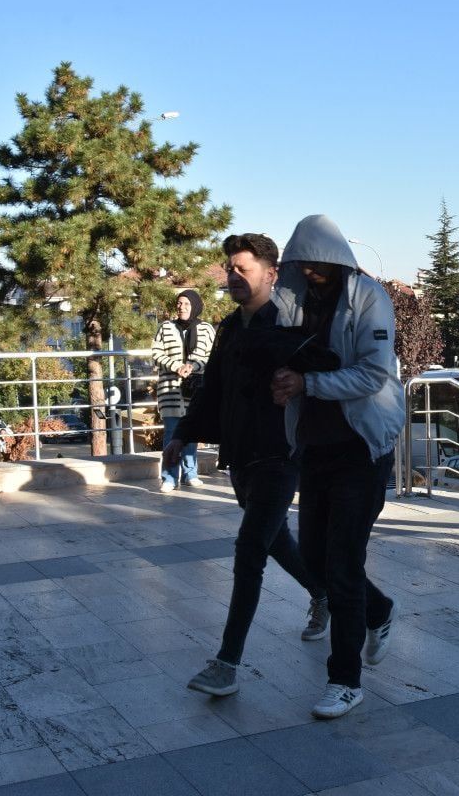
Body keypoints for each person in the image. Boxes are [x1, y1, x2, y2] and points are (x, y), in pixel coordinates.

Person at [172, 234, 333, 699]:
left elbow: (327, 366)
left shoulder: (292, 323)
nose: (233, 276)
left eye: (243, 268)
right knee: (275, 539)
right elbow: (213, 389)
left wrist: (299, 379)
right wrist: (183, 433)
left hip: (280, 456)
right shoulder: (229, 327)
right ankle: (334, 595)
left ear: (271, 273)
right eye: (230, 269)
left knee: (249, 552)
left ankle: (226, 663)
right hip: (240, 455)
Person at [270, 215, 404, 720]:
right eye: (302, 264)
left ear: (337, 258)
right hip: (314, 447)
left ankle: (345, 681)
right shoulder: (292, 300)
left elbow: (373, 373)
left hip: (361, 447)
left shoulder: (369, 297)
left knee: (343, 564)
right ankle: (380, 610)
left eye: (318, 263)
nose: (311, 271)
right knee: (315, 558)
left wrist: (308, 384)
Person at [151, 289, 216, 492]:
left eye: (187, 303)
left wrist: (192, 366)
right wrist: (176, 366)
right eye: (179, 303)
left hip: (195, 388)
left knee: (192, 432)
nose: (182, 307)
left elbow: (211, 355)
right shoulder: (166, 327)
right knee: (171, 432)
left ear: (195, 306)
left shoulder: (206, 329)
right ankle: (169, 477)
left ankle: (190, 473)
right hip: (170, 390)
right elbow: (156, 353)